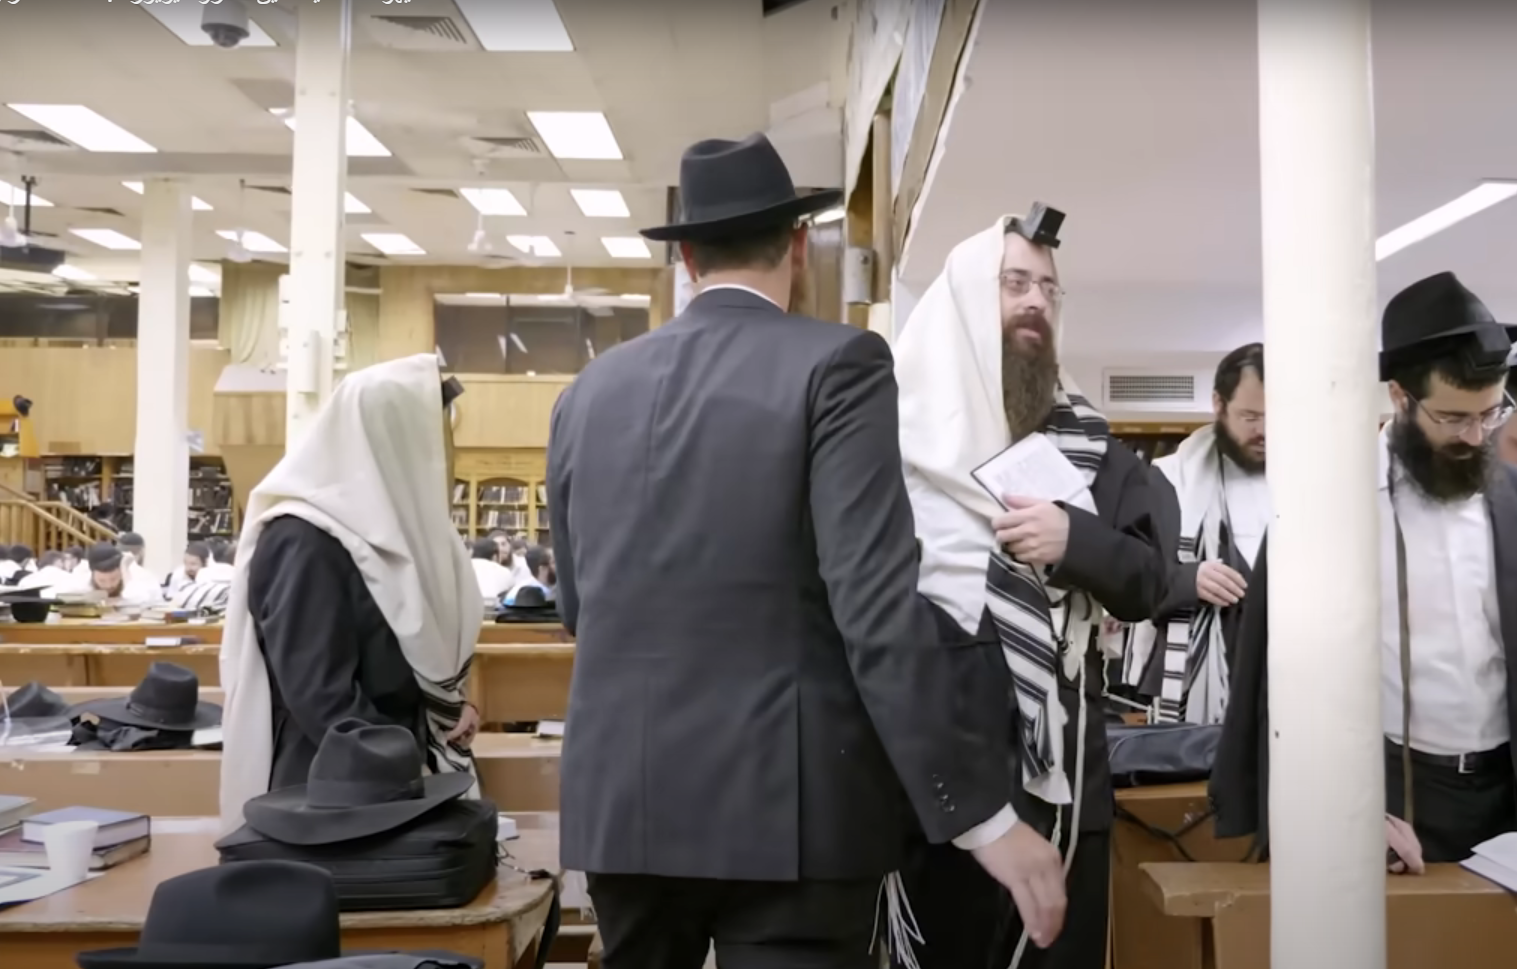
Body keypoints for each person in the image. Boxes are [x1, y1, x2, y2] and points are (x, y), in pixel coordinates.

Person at [548, 133, 1062, 969]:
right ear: (796, 244)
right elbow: (874, 606)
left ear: (687, 259)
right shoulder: (838, 363)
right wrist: (981, 814)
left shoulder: (585, 393)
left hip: (625, 801)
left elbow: (578, 606)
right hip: (789, 807)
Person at [891, 209, 1171, 969]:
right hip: (943, 790)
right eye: (1014, 282)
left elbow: (1151, 582)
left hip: (1067, 789)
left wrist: (1074, 540)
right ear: (964, 298)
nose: (1035, 301)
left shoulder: (1087, 444)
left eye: (1048, 288)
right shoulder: (897, 443)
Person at [1214, 271, 1517, 865]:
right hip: (1393, 792)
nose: (1475, 434)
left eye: (1491, 414)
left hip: (1505, 791)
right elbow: (1290, 679)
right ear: (1400, 397)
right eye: (1453, 417)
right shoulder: (1328, 505)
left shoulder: (1510, 498)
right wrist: (1345, 809)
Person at [218, 355, 483, 831]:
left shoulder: (407, 527)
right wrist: (405, 766)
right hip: (337, 789)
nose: (447, 458)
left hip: (406, 772)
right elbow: (321, 696)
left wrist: (453, 705)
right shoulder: (304, 538)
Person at [1124, 344, 1268, 723]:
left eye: (1276, 416)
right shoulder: (1169, 481)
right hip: (1201, 684)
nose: (1264, 431)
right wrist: (1189, 580)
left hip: (1296, 676)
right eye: (1250, 417)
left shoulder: (1313, 483)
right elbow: (1131, 583)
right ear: (1218, 404)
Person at [69, 543, 164, 605]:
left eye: (114, 579)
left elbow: (137, 600)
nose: (109, 585)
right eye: (102, 581)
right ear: (92, 575)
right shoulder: (82, 575)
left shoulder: (138, 574)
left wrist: (125, 570)